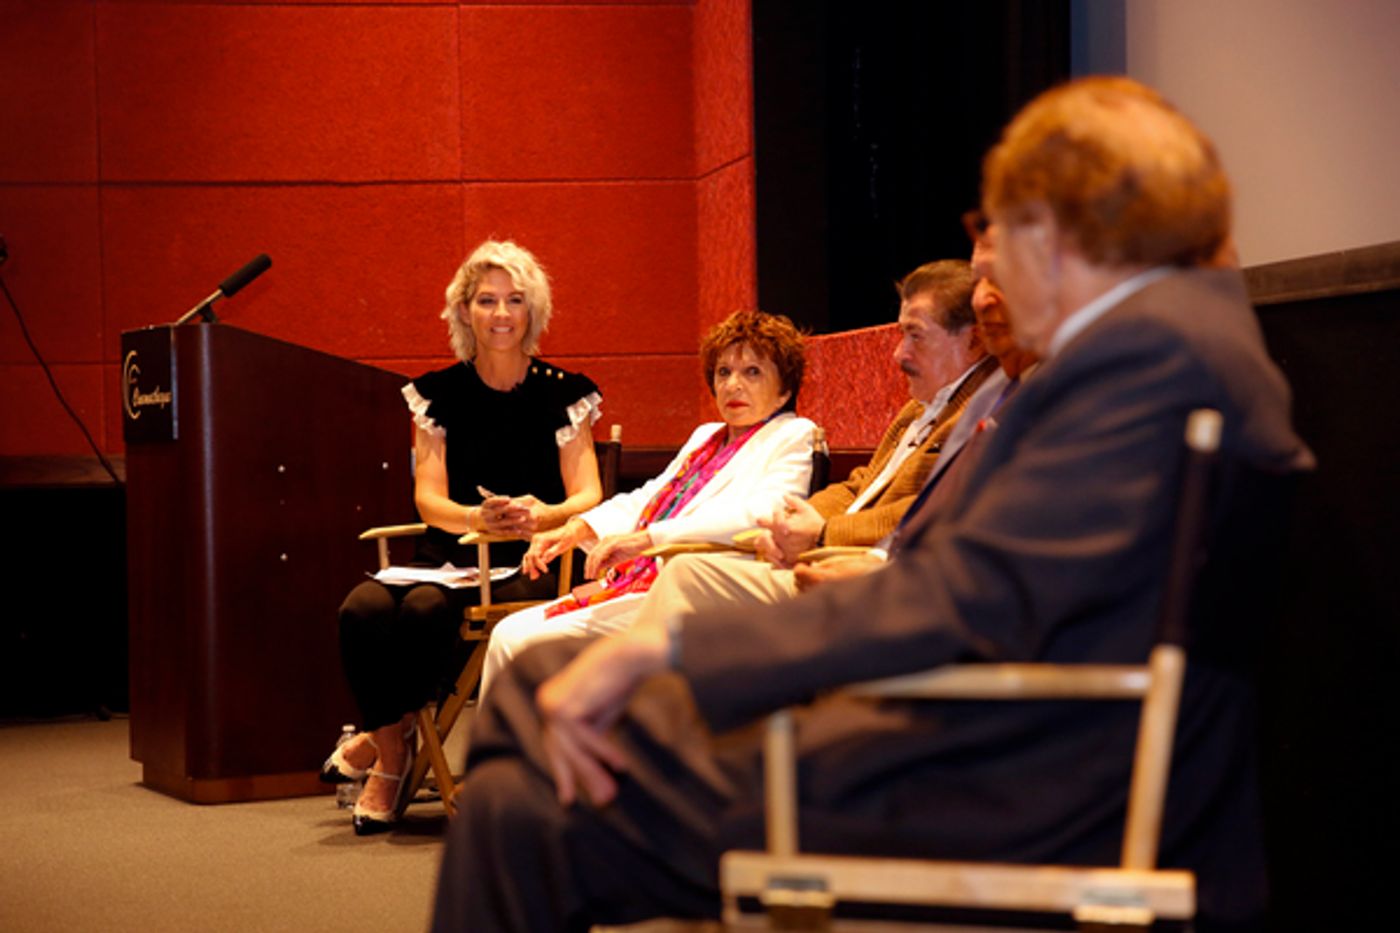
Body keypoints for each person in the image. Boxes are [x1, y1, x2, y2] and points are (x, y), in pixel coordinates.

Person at [431, 77, 1315, 932]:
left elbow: (964, 600)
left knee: (523, 806)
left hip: (1006, 778)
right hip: (1002, 736)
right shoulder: (1179, 355)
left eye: (1003, 226)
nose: (990, 260)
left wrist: (678, 647)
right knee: (542, 690)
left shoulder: (1140, 376)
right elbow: (995, 591)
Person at [323, 239, 604, 835]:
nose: (501, 314)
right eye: (486, 300)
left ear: (534, 312)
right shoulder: (437, 394)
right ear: (463, 312)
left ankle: (384, 754)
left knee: (426, 613)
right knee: (361, 608)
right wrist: (476, 521)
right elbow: (428, 498)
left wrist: (544, 513)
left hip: (528, 560)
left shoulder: (564, 392)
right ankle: (395, 744)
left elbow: (589, 496)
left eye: (514, 300)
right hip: (450, 553)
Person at [621, 244, 1036, 624]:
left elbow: (928, 508)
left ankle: (636, 696)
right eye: (723, 373)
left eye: (915, 335)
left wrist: (821, 534)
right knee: (683, 581)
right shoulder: (918, 408)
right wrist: (795, 522)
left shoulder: (988, 406)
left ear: (975, 339)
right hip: (829, 556)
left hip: (869, 572)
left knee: (687, 576)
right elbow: (862, 484)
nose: (899, 354)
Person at [477, 310, 817, 696]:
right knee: (507, 633)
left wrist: (646, 540)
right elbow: (650, 495)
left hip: (701, 596)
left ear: (785, 389)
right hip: (643, 582)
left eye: (752, 372)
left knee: (526, 646)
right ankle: (514, 757)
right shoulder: (708, 435)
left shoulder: (793, 434)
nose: (732, 386)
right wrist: (576, 529)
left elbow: (761, 514)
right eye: (723, 373)